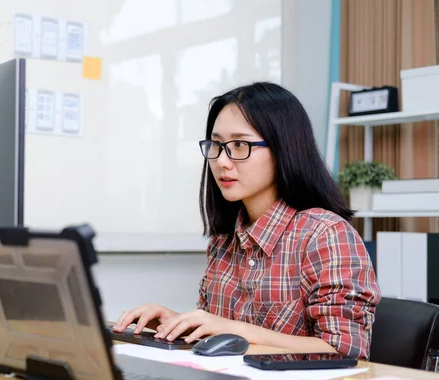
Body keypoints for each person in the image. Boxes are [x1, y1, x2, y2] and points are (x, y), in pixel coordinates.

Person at [113, 82, 381, 360]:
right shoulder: (224, 240)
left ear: (283, 149)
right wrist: (177, 324)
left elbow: (346, 352)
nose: (222, 162)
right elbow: (221, 336)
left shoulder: (325, 234)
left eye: (239, 145)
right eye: (216, 145)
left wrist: (235, 330)